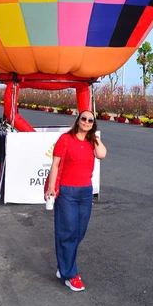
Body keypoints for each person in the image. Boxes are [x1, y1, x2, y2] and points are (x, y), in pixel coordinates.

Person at [44, 110, 106, 292]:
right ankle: (70, 275)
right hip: (67, 192)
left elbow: (102, 154)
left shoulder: (91, 142)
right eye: (84, 118)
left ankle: (63, 265)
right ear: (78, 120)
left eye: (90, 120)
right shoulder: (65, 139)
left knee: (79, 231)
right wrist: (51, 187)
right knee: (68, 232)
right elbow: (55, 164)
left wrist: (94, 137)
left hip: (86, 192)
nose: (86, 122)